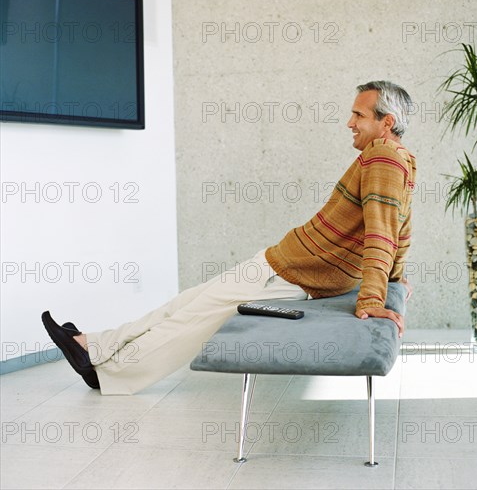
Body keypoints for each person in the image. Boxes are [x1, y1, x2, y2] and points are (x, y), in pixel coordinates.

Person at [42, 80, 417, 395]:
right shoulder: (400, 158)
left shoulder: (383, 157)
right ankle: (93, 345)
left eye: (359, 115)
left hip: (292, 272)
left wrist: (372, 298)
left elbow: (382, 231)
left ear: (387, 122)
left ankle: (108, 373)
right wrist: (396, 280)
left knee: (194, 317)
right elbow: (401, 226)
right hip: (289, 264)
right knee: (185, 303)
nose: (349, 122)